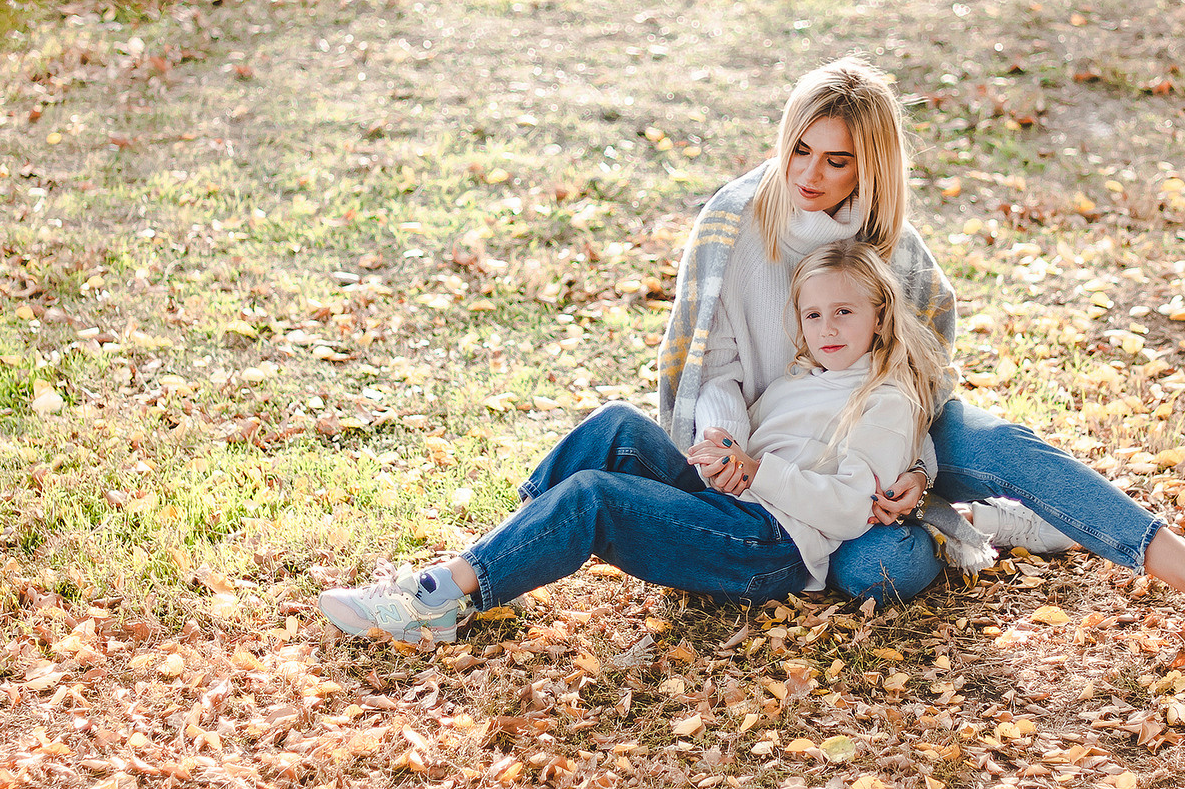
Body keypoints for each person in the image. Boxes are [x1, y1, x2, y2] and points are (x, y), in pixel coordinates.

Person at [654, 56, 1185, 665]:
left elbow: (921, 364)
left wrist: (915, 463)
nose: (808, 174)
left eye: (836, 160)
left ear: (869, 168)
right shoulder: (734, 222)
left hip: (882, 420)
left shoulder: (887, 240)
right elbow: (714, 370)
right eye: (799, 149)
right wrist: (727, 446)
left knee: (1009, 450)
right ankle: (976, 521)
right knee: (875, 570)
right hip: (786, 448)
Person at [318, 241, 955, 643]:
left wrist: (755, 472)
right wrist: (723, 457)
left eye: (846, 311)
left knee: (597, 498)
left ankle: (435, 599)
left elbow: (849, 508)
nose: (828, 327)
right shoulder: (802, 378)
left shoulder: (885, 398)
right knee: (616, 427)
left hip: (776, 549)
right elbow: (752, 452)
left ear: (879, 316)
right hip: (740, 506)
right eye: (814, 314)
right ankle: (497, 553)